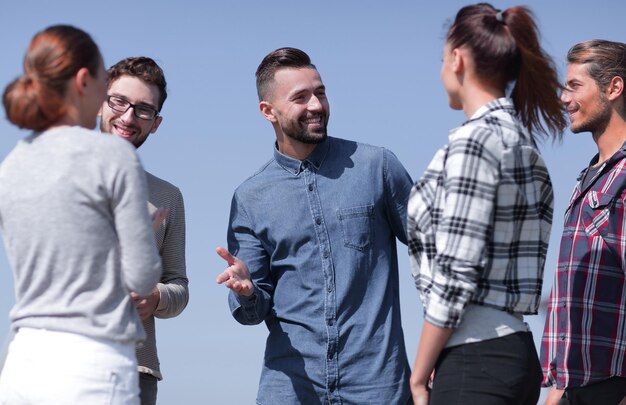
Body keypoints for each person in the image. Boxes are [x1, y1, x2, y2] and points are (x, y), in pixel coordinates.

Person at [216, 47, 413, 404]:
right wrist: (246, 292)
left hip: (377, 384)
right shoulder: (250, 197)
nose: (317, 105)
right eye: (301, 97)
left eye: (320, 92)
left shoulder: (377, 167)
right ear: (268, 111)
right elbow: (254, 309)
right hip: (290, 387)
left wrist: (442, 343)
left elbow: (434, 252)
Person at [407, 4, 566, 405]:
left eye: (442, 58)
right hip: (510, 354)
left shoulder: (474, 143)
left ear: (457, 59)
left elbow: (456, 272)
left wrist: (419, 374)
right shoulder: (522, 143)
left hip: (475, 358)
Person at [0, 25, 162, 404]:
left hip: (22, 362)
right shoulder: (115, 157)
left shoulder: (11, 164)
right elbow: (142, 275)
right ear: (84, 82)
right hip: (92, 362)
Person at [540, 40, 626, 405]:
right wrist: (558, 388)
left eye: (575, 86)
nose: (564, 98)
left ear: (613, 88)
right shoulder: (590, 177)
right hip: (576, 389)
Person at [100, 56, 189, 405]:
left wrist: (155, 299)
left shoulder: (167, 196)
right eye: (119, 101)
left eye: (143, 109)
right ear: (99, 102)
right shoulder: (57, 174)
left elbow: (179, 286)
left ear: (156, 123)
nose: (128, 117)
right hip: (59, 362)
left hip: (134, 373)